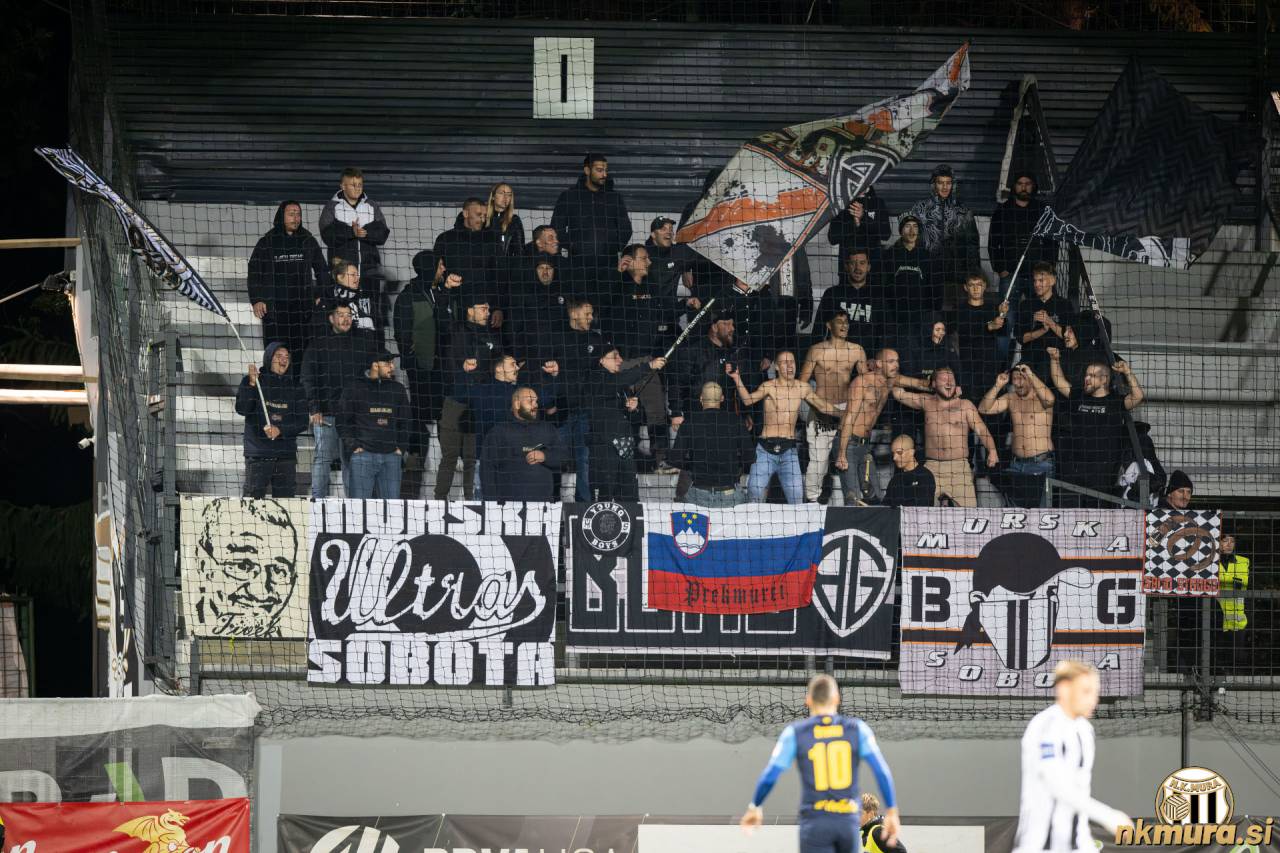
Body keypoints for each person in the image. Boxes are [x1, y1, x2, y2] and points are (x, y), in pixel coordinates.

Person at [741, 674, 900, 853]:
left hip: (815, 823)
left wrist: (755, 806)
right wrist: (892, 811)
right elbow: (881, 771)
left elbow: (770, 776)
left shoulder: (795, 733)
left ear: (808, 700)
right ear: (837, 698)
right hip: (847, 823)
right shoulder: (858, 729)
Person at [1012, 661, 1131, 852]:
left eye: (1095, 693)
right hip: (1040, 846)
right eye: (1086, 691)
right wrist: (1108, 815)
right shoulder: (1045, 725)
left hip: (1077, 845)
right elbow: (1055, 785)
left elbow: (1079, 792)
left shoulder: (1085, 730)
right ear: (1064, 689)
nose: (1093, 700)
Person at [729, 352, 841, 504]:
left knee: (797, 497)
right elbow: (748, 400)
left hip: (789, 451)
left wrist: (845, 413)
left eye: (792, 362)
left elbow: (822, 406)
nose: (790, 366)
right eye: (785, 362)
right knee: (754, 493)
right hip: (765, 451)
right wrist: (737, 378)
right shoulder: (769, 386)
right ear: (776, 366)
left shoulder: (802, 387)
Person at [1046, 349, 1144, 505]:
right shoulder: (1079, 396)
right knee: (1069, 514)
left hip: (1102, 476)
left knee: (1097, 515)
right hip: (1074, 471)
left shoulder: (1115, 402)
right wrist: (1054, 359)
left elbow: (1137, 396)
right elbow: (1059, 382)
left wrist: (1127, 372)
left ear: (1104, 379)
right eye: (1086, 375)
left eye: (1091, 376)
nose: (1086, 379)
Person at [892, 367, 998, 508]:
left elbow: (982, 430)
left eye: (951, 379)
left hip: (959, 470)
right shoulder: (926, 401)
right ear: (934, 383)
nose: (949, 382)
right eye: (943, 379)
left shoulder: (965, 406)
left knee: (968, 515)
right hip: (932, 469)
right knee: (926, 514)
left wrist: (992, 450)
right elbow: (897, 393)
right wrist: (923, 384)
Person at [302, 301, 378, 498]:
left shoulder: (362, 343)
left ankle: (353, 504)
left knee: (352, 459)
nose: (346, 319)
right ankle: (318, 501)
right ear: (331, 318)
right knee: (323, 459)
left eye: (349, 315)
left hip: (353, 417)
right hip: (325, 415)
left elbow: (371, 377)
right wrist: (314, 408)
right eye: (341, 315)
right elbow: (307, 378)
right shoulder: (318, 344)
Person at [834, 349, 925, 504]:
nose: (896, 365)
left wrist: (940, 384)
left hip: (865, 446)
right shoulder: (862, 382)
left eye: (897, 361)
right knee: (852, 499)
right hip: (848, 444)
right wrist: (841, 453)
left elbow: (919, 384)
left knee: (874, 497)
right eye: (891, 362)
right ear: (879, 363)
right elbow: (849, 417)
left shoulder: (890, 382)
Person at [246, 200, 328, 367]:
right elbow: (254, 273)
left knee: (302, 359)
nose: (295, 218)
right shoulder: (267, 242)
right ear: (281, 216)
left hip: (303, 313)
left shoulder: (307, 240)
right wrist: (257, 300)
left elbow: (322, 270)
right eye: (291, 214)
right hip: (275, 313)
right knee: (276, 358)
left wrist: (321, 295)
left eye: (298, 214)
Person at [391, 251, 459, 451]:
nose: (444, 269)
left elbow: (451, 326)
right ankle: (416, 455)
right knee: (419, 415)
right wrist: (414, 359)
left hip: (446, 367)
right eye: (440, 265)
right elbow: (402, 334)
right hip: (422, 369)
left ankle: (447, 457)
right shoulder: (408, 296)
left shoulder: (446, 293)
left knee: (447, 416)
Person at [435, 293, 499, 500]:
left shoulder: (491, 336)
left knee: (472, 458)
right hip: (455, 402)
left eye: (488, 309)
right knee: (450, 457)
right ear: (470, 310)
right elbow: (446, 363)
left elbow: (496, 366)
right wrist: (460, 367)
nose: (487, 313)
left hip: (478, 403)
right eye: (483, 308)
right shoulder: (456, 330)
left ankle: (471, 500)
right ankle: (439, 500)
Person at [800, 313, 867, 503]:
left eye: (846, 322)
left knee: (847, 459)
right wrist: (819, 406)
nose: (844, 325)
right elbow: (801, 385)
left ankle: (853, 503)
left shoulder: (856, 350)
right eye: (839, 322)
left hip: (847, 412)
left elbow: (866, 383)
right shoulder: (816, 350)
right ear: (829, 325)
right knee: (818, 463)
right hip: (821, 412)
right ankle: (811, 502)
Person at [587, 348, 667, 501]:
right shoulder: (595, 379)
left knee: (630, 500)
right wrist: (648, 366)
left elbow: (636, 418)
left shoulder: (622, 387)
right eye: (615, 356)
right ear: (601, 360)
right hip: (605, 451)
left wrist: (634, 408)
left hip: (626, 448)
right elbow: (619, 380)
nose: (620, 360)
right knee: (603, 502)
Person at [550, 153, 632, 298]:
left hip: (608, 268)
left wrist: (609, 248)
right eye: (599, 170)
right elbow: (556, 229)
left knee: (607, 305)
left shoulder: (615, 198)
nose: (604, 174)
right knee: (579, 306)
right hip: (577, 267)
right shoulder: (569, 196)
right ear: (587, 170)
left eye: (605, 170)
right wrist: (574, 246)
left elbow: (626, 230)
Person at [235, 343, 308, 498]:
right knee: (252, 503)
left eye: (286, 357)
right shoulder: (253, 381)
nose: (283, 360)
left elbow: (302, 422)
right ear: (268, 358)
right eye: (279, 356)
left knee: (286, 505)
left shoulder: (296, 387)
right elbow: (242, 409)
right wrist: (251, 385)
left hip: (285, 456)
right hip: (258, 454)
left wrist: (280, 430)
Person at [555, 298, 610, 502]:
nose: (591, 318)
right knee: (552, 457)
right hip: (560, 411)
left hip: (586, 412)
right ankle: (551, 503)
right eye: (587, 313)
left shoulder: (597, 340)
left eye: (591, 314)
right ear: (573, 313)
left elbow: (606, 371)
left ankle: (583, 505)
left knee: (584, 460)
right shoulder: (557, 338)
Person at [903, 164, 980, 307]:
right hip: (926, 273)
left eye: (948, 183)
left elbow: (972, 244)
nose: (945, 187)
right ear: (934, 185)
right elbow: (909, 241)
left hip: (956, 274)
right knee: (928, 312)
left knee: (955, 313)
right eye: (940, 183)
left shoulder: (963, 210)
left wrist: (973, 273)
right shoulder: (920, 209)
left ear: (953, 184)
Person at [979, 363, 1055, 506]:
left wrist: (1030, 374)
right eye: (1015, 379)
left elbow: (1050, 400)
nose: (1018, 382)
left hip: (1041, 465)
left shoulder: (1041, 398)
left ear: (1030, 379)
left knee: (1041, 513)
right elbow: (984, 408)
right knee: (1016, 512)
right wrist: (998, 385)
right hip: (1016, 465)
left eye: (1022, 378)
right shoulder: (1011, 398)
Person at [668, 382, 755, 507]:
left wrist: (693, 465)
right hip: (730, 493)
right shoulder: (735, 421)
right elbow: (750, 457)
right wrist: (734, 465)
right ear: (722, 398)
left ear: (701, 398)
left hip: (699, 494)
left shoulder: (689, 422)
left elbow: (675, 459)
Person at [339, 351, 408, 499]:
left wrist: (401, 448)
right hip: (362, 457)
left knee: (392, 509)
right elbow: (343, 421)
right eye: (388, 363)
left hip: (391, 457)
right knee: (359, 509)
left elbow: (406, 421)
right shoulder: (354, 388)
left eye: (392, 363)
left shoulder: (398, 389)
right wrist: (353, 446)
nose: (392, 367)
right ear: (375, 365)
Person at [480, 386, 566, 501]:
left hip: (544, 505)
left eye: (536, 401)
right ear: (517, 404)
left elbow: (564, 458)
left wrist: (545, 456)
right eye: (530, 401)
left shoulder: (548, 429)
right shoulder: (498, 432)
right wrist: (492, 504)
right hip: (508, 506)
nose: (535, 405)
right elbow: (487, 470)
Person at [989, 173, 1056, 299]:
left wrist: (1049, 266)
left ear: (1033, 186)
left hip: (1038, 274)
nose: (1023, 187)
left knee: (1040, 310)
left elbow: (1052, 241)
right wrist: (1000, 268)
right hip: (1009, 273)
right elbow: (993, 242)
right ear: (1014, 186)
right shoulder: (1002, 211)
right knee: (1007, 311)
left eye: (1027, 184)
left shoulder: (1043, 211)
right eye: (1020, 184)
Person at [318, 167, 390, 279]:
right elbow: (327, 235)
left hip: (370, 272)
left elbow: (383, 233)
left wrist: (365, 233)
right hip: (343, 273)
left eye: (360, 184)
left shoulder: (371, 205)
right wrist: (352, 232)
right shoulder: (331, 207)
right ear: (343, 186)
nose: (357, 188)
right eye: (353, 185)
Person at [811, 249, 885, 354]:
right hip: (837, 357)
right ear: (846, 267)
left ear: (868, 267)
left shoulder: (878, 296)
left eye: (862, 263)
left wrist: (877, 357)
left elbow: (887, 331)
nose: (857, 268)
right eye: (853, 263)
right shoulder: (832, 294)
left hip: (869, 358)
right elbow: (818, 330)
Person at [434, 197, 504, 304]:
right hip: (454, 304)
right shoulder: (445, 239)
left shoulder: (491, 240)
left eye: (484, 216)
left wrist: (496, 307)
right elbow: (436, 272)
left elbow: (499, 276)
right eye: (478, 215)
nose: (482, 220)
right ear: (466, 214)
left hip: (484, 305)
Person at [948, 271, 1007, 399]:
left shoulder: (993, 308)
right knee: (970, 404)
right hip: (968, 366)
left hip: (990, 365)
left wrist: (1003, 315)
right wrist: (989, 326)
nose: (975, 288)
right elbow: (965, 331)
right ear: (965, 287)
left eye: (979, 284)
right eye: (971, 285)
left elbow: (1003, 332)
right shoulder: (959, 309)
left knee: (991, 404)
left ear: (985, 286)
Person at [881, 215, 937, 347]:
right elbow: (883, 286)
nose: (912, 231)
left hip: (920, 315)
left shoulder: (927, 256)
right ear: (901, 230)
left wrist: (931, 313)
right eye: (907, 226)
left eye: (915, 227)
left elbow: (933, 288)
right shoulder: (890, 255)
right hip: (895, 315)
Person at [1015, 262, 1073, 384]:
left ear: (1052, 281)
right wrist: (1042, 330)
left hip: (1056, 358)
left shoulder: (1065, 305)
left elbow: (1069, 337)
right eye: (1035, 281)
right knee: (1017, 375)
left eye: (1041, 280)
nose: (1036, 284)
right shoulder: (1026, 304)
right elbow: (1021, 338)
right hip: (1031, 357)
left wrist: (1049, 321)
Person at [826, 186, 892, 265]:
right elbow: (832, 238)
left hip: (873, 264)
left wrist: (863, 218)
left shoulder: (878, 202)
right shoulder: (840, 203)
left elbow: (886, 234)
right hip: (848, 266)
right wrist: (855, 223)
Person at [1216, 535, 1250, 672]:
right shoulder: (1209, 562)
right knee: (1217, 657)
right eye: (1225, 541)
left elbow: (1247, 587)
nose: (1229, 544)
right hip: (1216, 618)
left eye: (1232, 541)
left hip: (1238, 619)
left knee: (1238, 658)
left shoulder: (1244, 562)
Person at [328, 258, 383, 339]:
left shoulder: (365, 297)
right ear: (340, 277)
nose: (357, 278)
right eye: (353, 275)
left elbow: (378, 327)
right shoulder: (328, 298)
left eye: (357, 275)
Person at [882, 434, 935, 508]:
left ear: (911, 452)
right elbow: (885, 507)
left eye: (899, 453)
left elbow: (922, 506)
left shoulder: (925, 476)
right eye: (893, 453)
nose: (894, 458)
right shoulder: (895, 480)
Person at [485, 182, 526, 256]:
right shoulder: (483, 218)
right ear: (493, 196)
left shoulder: (514, 220)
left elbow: (519, 250)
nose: (505, 197)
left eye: (509, 194)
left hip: (507, 262)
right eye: (501, 193)